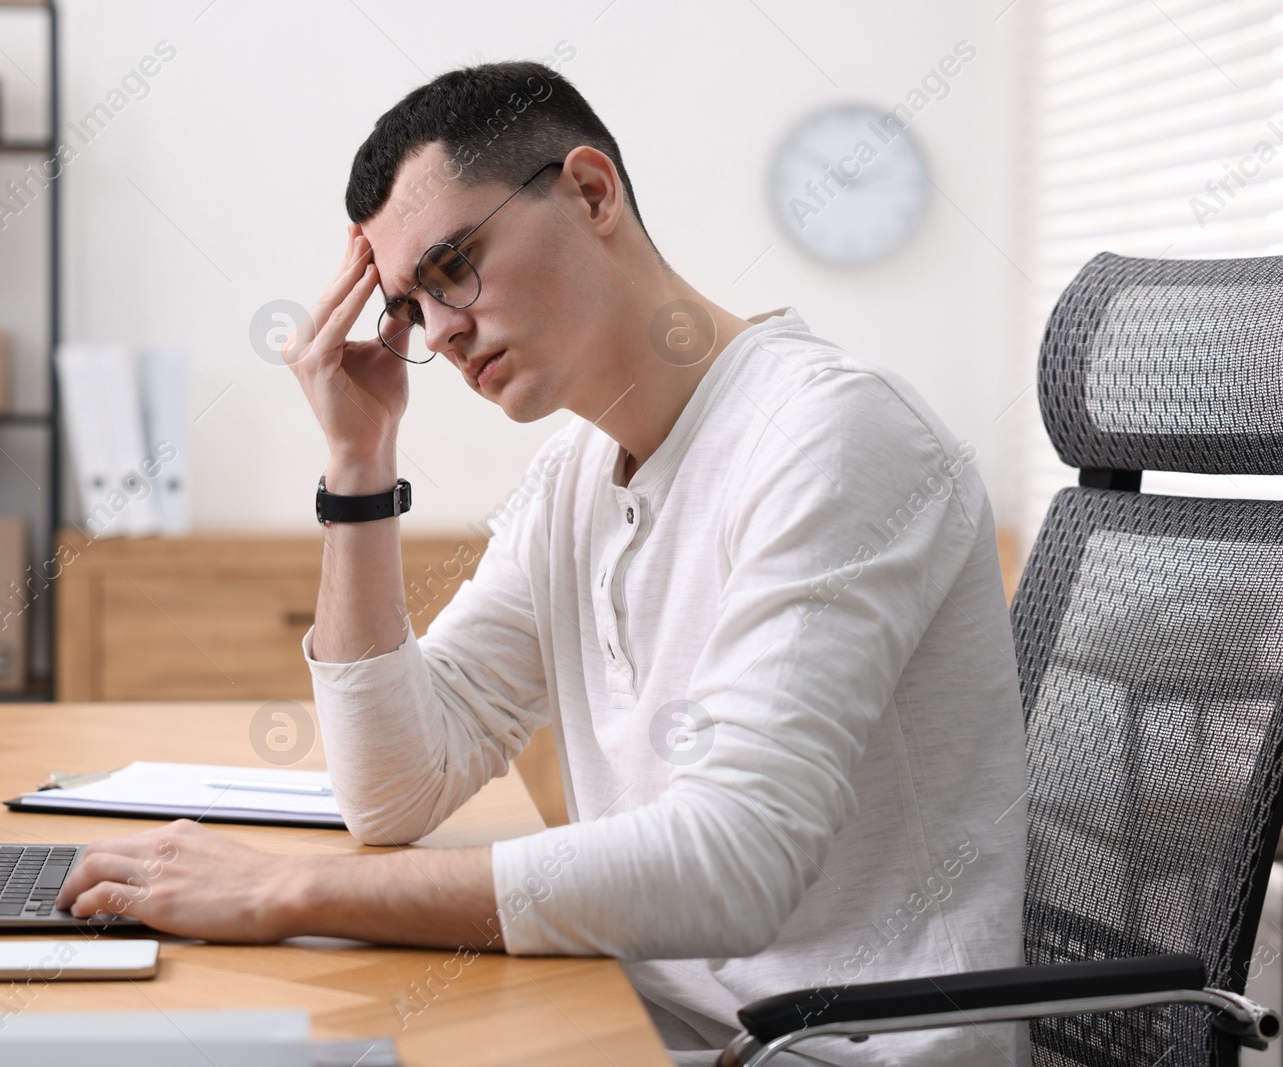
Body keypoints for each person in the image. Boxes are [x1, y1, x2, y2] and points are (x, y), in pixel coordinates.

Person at [56, 60, 1030, 1066]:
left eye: (452, 266)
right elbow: (397, 787)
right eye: (408, 304)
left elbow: (735, 861)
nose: (437, 329)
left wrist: (280, 887)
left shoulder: (830, 436)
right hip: (638, 1017)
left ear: (590, 191)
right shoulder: (572, 473)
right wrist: (358, 463)